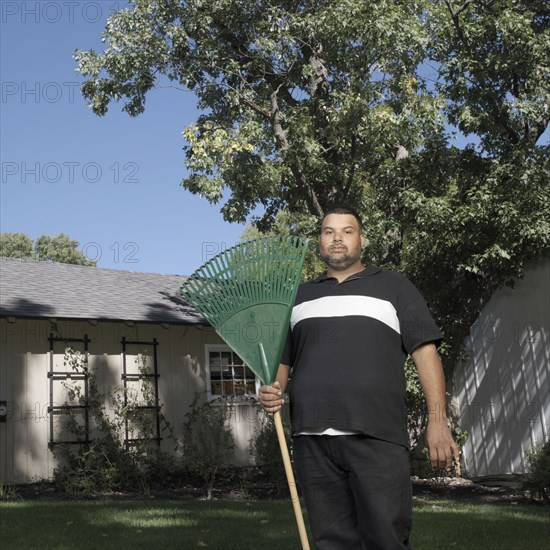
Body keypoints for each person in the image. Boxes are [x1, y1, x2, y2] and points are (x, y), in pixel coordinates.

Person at [258, 205, 459, 550]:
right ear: (319, 242)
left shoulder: (393, 286)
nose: (337, 238)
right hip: (313, 438)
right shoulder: (297, 297)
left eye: (347, 231)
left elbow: (426, 354)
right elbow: (282, 366)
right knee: (332, 542)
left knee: (385, 539)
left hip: (376, 435)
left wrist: (437, 421)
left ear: (362, 239)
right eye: (328, 231)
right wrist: (271, 390)